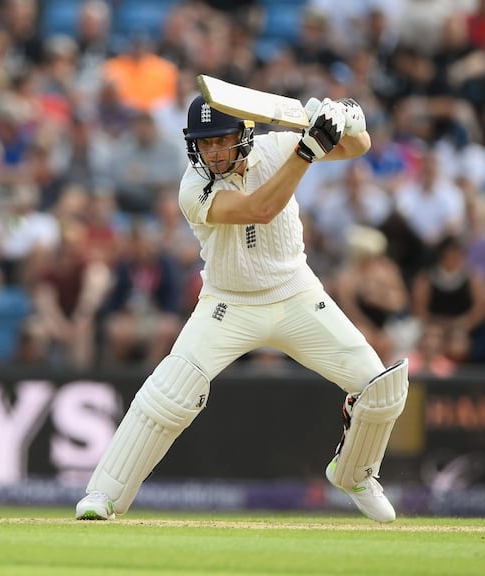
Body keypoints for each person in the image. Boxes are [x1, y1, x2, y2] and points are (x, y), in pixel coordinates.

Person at [75, 95, 410, 524]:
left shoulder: (274, 148)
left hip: (296, 295)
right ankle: (104, 495)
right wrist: (309, 149)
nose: (213, 153)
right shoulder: (192, 188)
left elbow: (357, 148)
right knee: (170, 392)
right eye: (204, 143)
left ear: (244, 135)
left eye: (221, 141)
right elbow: (260, 209)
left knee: (379, 388)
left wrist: (346, 121)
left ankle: (355, 473)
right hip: (228, 305)